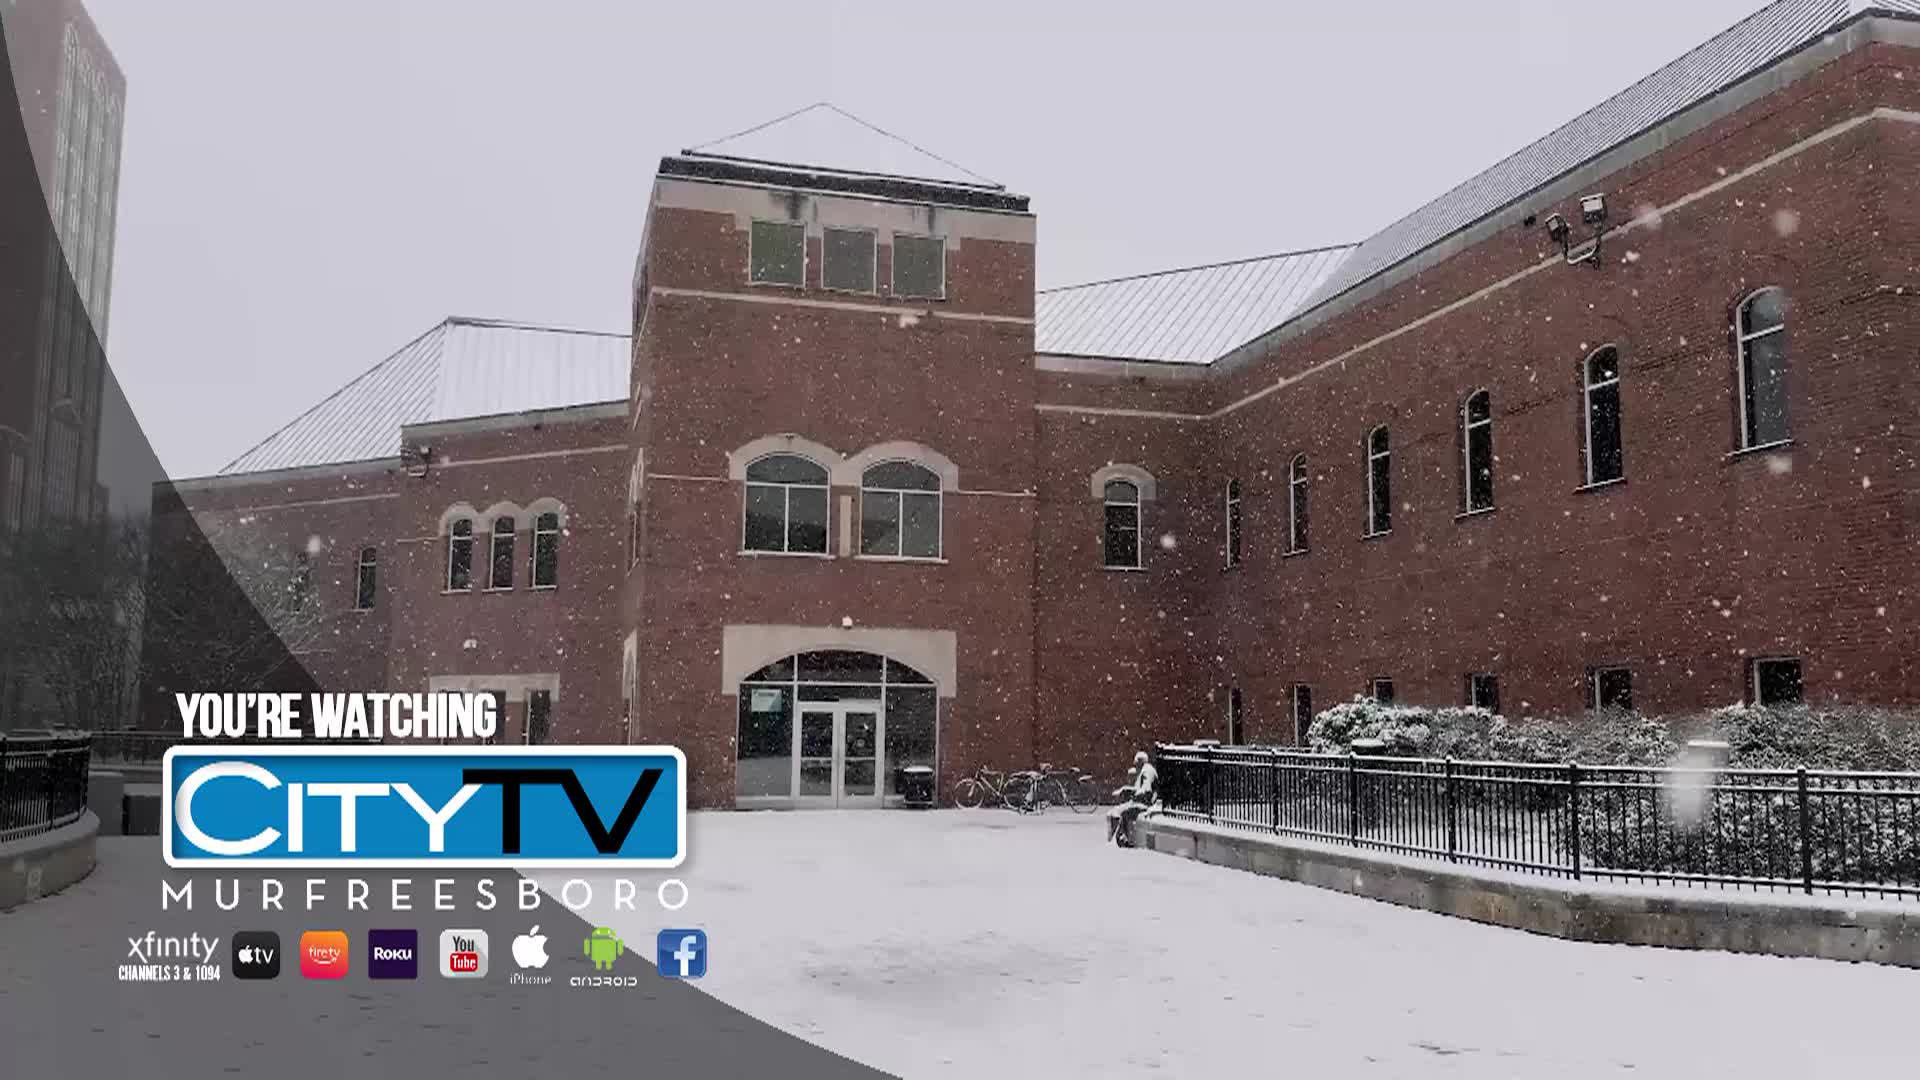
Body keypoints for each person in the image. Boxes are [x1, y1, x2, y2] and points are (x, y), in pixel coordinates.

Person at [1105, 750, 1157, 847]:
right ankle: (1117, 838)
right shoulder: (1143, 771)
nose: (1136, 767)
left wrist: (1134, 795)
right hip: (1141, 801)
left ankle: (1124, 839)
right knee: (1116, 811)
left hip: (1146, 804)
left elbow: (1146, 789)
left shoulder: (1147, 771)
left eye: (1137, 764)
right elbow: (1139, 789)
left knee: (1125, 813)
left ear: (1141, 762)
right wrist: (1126, 790)